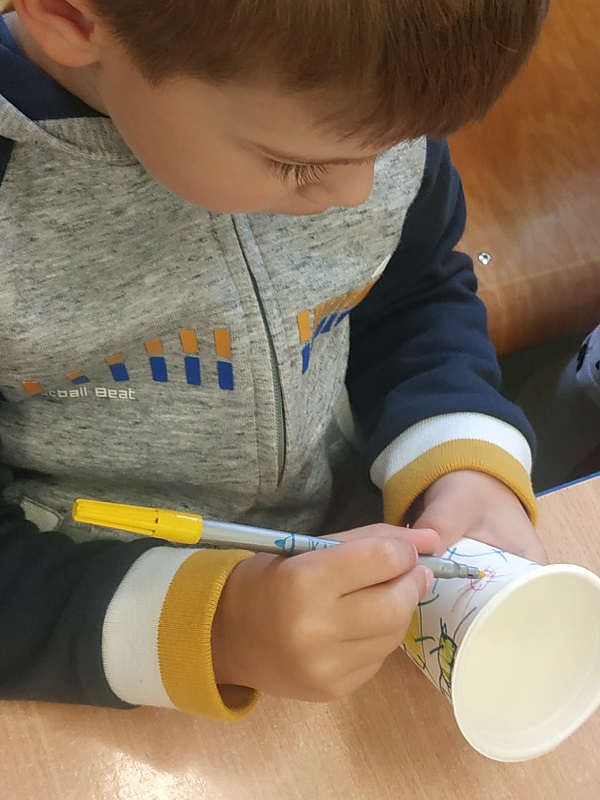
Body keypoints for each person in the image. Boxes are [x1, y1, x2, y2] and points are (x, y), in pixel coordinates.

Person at [0, 0, 548, 720]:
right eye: (296, 162)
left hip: (350, 580)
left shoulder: (359, 103)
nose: (357, 193)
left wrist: (459, 457)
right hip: (90, 649)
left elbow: (409, 291)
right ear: (68, 15)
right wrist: (220, 629)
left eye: (397, 146)